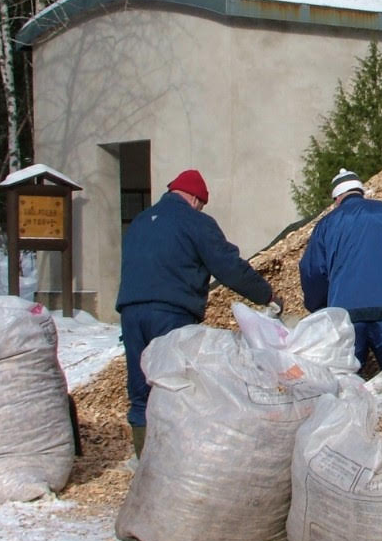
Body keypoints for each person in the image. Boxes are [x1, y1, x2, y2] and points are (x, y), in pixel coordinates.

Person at [115, 169, 280, 455]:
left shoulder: (141, 221)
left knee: (140, 389)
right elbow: (228, 266)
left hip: (131, 311)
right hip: (170, 312)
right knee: (175, 386)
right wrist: (266, 294)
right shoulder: (195, 222)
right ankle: (174, 459)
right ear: (194, 199)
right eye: (202, 204)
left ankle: (143, 459)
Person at [299, 168, 382, 371]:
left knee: (345, 379)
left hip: (346, 314)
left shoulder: (327, 224)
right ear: (361, 192)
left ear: (337, 199)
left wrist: (318, 306)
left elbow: (312, 270)